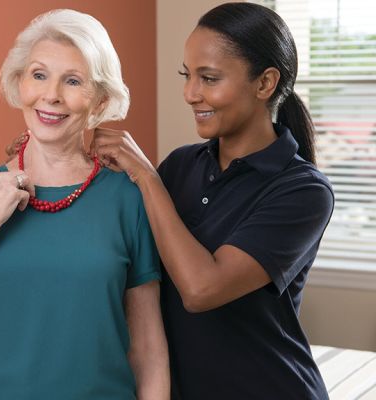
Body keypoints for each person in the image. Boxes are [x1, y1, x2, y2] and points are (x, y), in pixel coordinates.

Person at [0, 9, 169, 400]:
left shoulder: (126, 198)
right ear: (19, 84)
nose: (51, 94)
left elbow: (148, 350)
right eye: (39, 75)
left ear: (99, 101)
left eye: (72, 81)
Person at [89, 3, 334, 399]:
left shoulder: (304, 191)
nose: (190, 94)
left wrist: (148, 178)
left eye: (209, 78)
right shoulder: (183, 165)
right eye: (187, 76)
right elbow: (118, 243)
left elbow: (202, 289)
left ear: (265, 83)